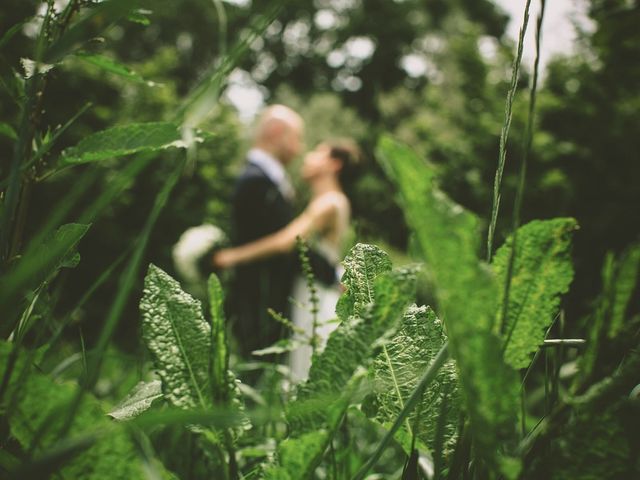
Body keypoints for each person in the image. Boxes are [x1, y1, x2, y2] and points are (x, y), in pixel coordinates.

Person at [214, 139, 361, 381]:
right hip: (310, 291)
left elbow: (286, 242)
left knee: (304, 374)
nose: (307, 156)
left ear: (333, 164)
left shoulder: (329, 203)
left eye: (317, 152)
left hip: (314, 297)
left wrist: (231, 257)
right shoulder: (328, 201)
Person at [223, 105, 336, 359]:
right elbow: (288, 243)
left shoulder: (267, 179)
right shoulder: (255, 180)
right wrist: (333, 274)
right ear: (276, 132)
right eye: (297, 137)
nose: (300, 147)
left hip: (278, 300)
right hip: (260, 301)